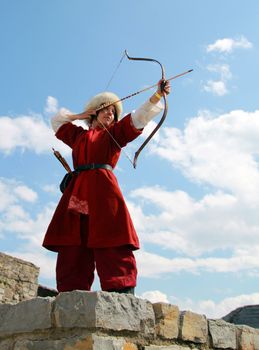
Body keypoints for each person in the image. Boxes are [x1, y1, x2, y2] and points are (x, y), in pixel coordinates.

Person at [42, 79, 171, 294]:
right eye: (105, 109)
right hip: (79, 195)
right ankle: (71, 291)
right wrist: (80, 116)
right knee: (75, 239)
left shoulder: (114, 135)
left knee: (111, 236)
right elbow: (56, 121)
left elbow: (138, 118)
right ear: (94, 113)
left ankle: (120, 289)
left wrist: (157, 96)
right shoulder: (78, 136)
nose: (110, 113)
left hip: (104, 193)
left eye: (113, 111)